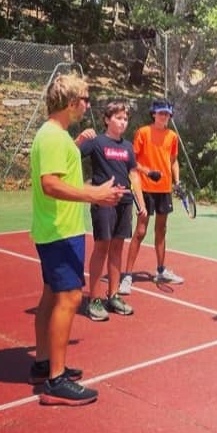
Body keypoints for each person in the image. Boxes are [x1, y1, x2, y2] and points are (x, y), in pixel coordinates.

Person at [29, 73, 127, 406]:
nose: (87, 104)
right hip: (60, 232)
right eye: (85, 99)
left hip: (52, 230)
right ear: (71, 103)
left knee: (50, 297)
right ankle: (55, 382)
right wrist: (95, 196)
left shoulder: (53, 135)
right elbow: (51, 184)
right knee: (69, 299)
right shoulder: (54, 137)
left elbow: (58, 173)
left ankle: (45, 363)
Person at [79, 101, 146, 321]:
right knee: (102, 248)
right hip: (104, 201)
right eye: (118, 118)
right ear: (107, 119)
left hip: (125, 202)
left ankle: (113, 295)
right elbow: (71, 155)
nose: (122, 122)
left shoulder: (127, 147)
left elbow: (134, 174)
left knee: (117, 249)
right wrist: (79, 139)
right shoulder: (97, 142)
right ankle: (94, 299)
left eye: (125, 119)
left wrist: (140, 201)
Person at [119, 99, 183, 293]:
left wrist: (177, 182)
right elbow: (133, 162)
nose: (164, 117)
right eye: (160, 113)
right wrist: (148, 172)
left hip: (164, 190)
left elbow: (173, 161)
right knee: (140, 231)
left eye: (167, 114)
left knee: (161, 231)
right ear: (154, 114)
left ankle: (161, 270)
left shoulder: (172, 136)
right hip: (145, 189)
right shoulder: (143, 133)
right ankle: (127, 276)